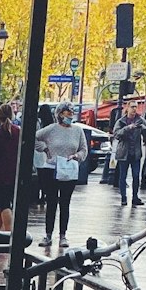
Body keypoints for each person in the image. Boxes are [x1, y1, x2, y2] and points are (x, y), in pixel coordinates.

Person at [35, 102, 88, 247]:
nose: (70, 114)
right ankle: (48, 235)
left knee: (65, 203)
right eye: (67, 112)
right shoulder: (51, 129)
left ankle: (63, 235)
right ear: (60, 114)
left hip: (68, 170)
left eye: (72, 112)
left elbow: (84, 149)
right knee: (51, 203)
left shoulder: (78, 131)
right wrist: (44, 149)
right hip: (52, 169)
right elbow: (34, 138)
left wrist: (77, 156)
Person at [0, 102, 20, 233]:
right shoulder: (18, 132)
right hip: (15, 174)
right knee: (0, 206)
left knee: (4, 205)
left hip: (0, 175)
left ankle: (8, 234)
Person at [112, 103, 145, 207]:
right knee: (123, 176)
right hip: (123, 153)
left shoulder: (140, 120)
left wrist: (144, 129)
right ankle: (123, 198)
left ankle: (135, 197)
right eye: (132, 107)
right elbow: (116, 134)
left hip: (135, 153)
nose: (134, 109)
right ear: (127, 108)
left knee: (136, 176)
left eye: (136, 107)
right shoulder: (121, 121)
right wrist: (128, 128)